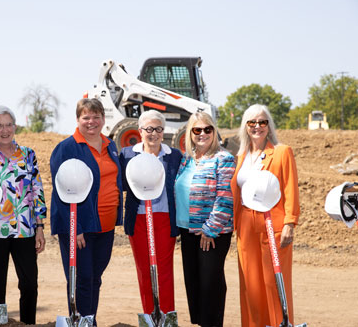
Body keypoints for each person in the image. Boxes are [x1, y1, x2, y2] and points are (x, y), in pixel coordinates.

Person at [50, 98, 123, 326]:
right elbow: (61, 191)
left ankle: (89, 320)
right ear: (78, 120)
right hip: (79, 227)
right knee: (82, 278)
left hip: (106, 225)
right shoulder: (67, 148)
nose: (91, 122)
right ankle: (81, 320)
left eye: (96, 117)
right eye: (86, 117)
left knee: (95, 279)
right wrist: (76, 229)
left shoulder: (110, 145)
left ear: (103, 119)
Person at [0, 105, 46, 325]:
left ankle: (28, 323)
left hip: (25, 230)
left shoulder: (28, 155)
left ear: (15, 127)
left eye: (9, 125)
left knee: (30, 284)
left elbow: (36, 191)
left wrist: (40, 226)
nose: (5, 130)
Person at [231, 104, 300, 327]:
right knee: (250, 285)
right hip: (246, 225)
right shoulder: (241, 156)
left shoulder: (282, 152)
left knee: (274, 283)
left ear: (269, 126)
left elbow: (290, 188)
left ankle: (280, 323)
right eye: (252, 122)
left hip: (274, 224)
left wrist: (290, 222)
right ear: (246, 127)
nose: (257, 127)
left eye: (262, 122)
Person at [174, 112, 235, 327]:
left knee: (211, 285)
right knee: (194, 284)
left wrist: (210, 229)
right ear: (190, 133)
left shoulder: (223, 158)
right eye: (196, 130)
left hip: (211, 233)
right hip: (187, 230)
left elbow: (226, 197)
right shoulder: (187, 159)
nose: (202, 134)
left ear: (214, 131)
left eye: (207, 129)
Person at [118, 110, 182, 316]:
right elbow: (121, 186)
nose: (153, 133)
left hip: (164, 218)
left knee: (164, 270)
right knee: (144, 270)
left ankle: (167, 315)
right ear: (140, 131)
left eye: (158, 129)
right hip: (138, 219)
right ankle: (149, 315)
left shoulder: (174, 156)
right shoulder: (127, 155)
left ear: (163, 132)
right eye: (148, 129)